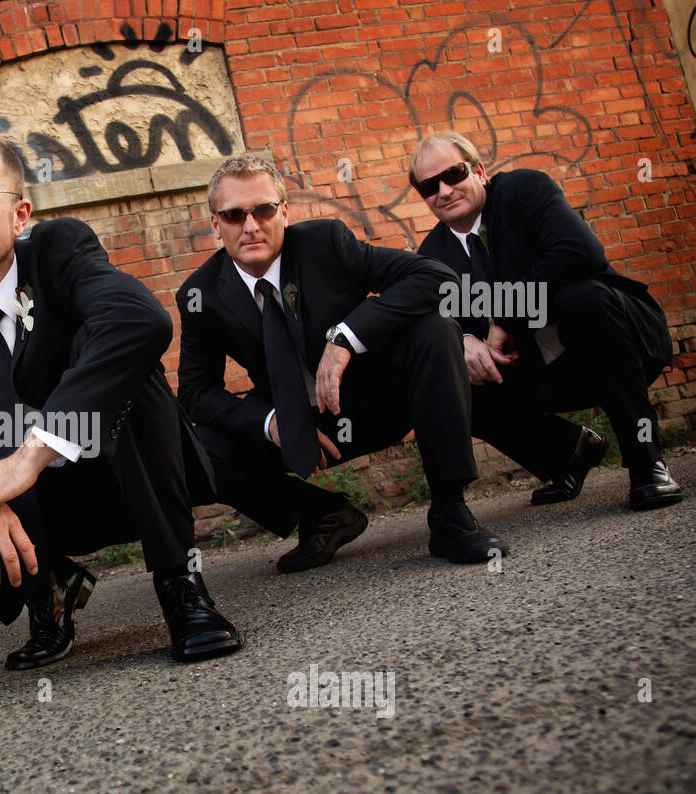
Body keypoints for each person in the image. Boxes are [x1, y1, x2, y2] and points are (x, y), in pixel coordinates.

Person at [0, 130, 241, 669]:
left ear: (19, 214)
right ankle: (45, 584)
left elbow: (139, 321)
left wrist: (31, 456)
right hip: (19, 510)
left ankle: (180, 583)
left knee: (130, 367)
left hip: (113, 483)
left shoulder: (59, 253)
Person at [176, 154, 507, 569]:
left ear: (284, 211)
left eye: (262, 210)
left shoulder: (324, 243)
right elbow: (195, 392)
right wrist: (271, 421)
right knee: (197, 447)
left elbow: (436, 278)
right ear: (214, 223)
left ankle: (450, 513)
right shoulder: (201, 295)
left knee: (436, 329)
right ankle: (323, 514)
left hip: (379, 401)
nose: (251, 226)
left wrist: (345, 337)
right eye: (233, 215)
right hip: (300, 429)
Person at [411, 131, 681, 510]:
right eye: (428, 186)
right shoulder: (432, 256)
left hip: (613, 344)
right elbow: (436, 319)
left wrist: (505, 317)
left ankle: (646, 460)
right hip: (535, 374)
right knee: (448, 373)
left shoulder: (523, 190)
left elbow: (579, 252)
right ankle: (565, 455)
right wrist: (462, 342)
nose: (444, 190)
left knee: (581, 297)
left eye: (453, 175)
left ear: (479, 171)